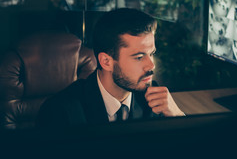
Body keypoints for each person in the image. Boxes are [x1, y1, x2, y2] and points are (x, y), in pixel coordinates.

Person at [36, 8, 185, 128]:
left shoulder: (153, 99)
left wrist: (177, 115)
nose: (151, 65)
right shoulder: (60, 112)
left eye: (151, 54)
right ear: (106, 61)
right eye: (139, 57)